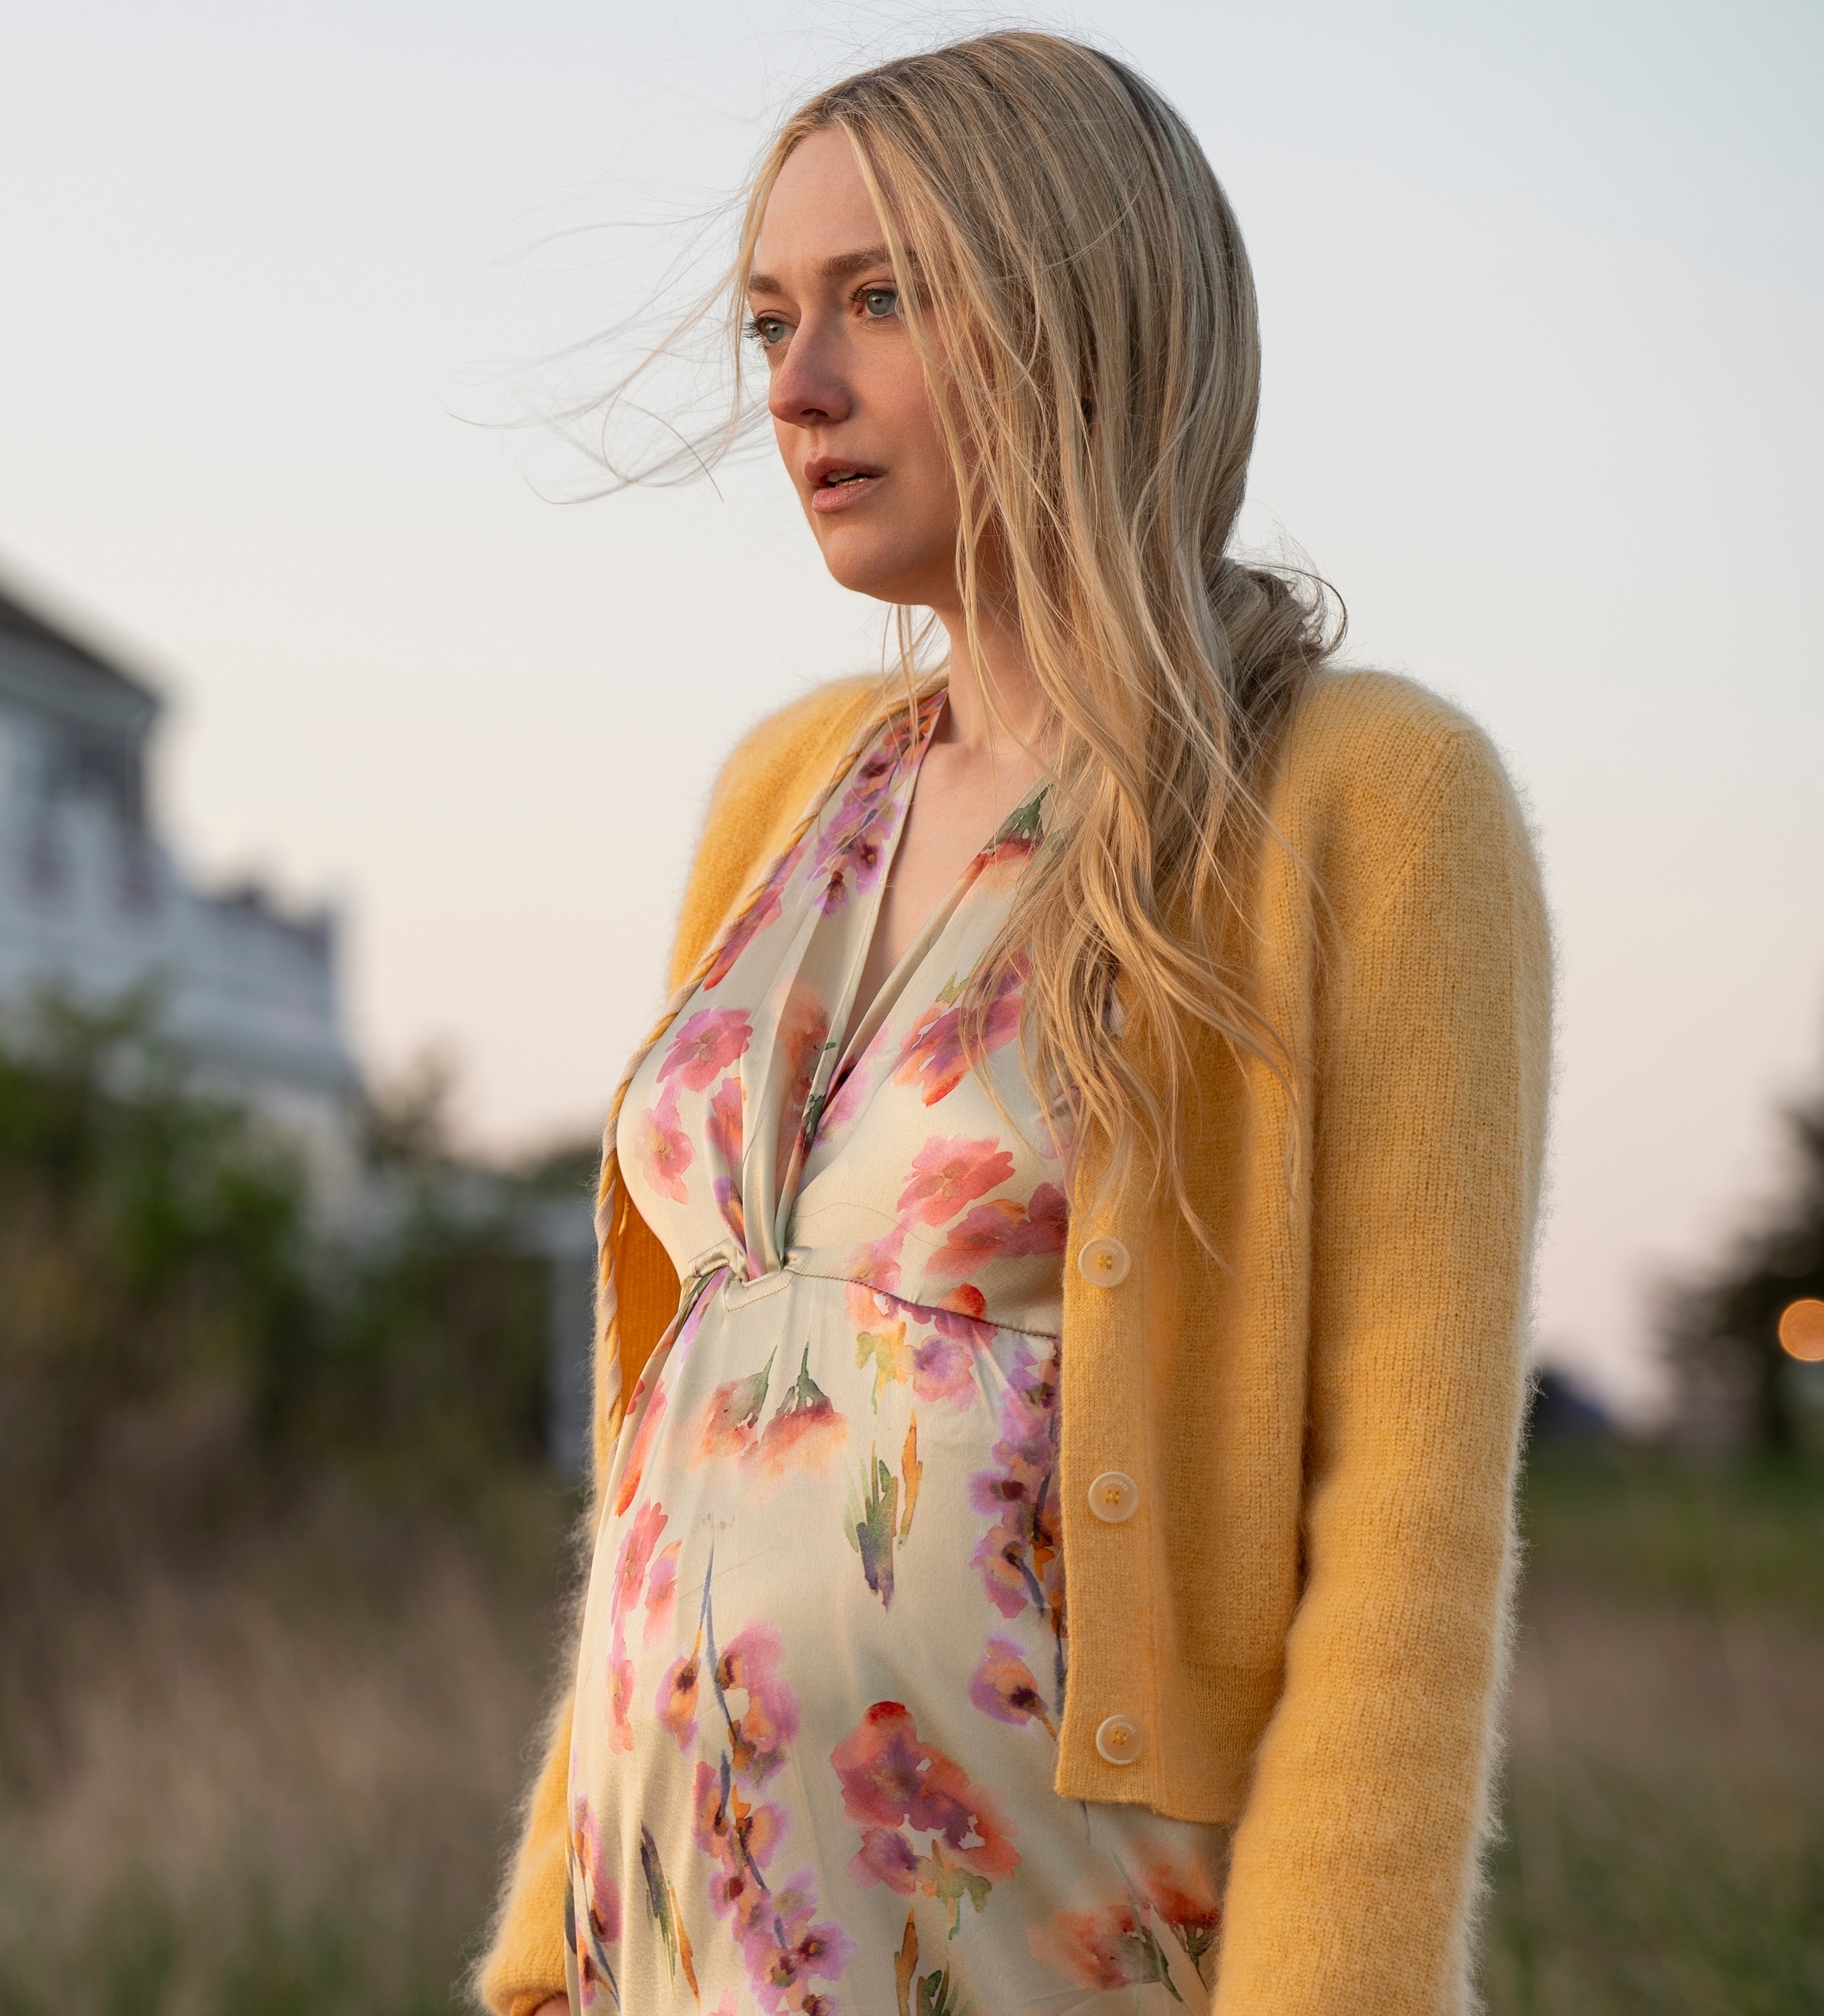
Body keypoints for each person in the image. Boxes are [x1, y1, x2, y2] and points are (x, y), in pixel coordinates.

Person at [475, 33, 1549, 2016]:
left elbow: (1403, 1531)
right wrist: (550, 1941)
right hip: (675, 1951)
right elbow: (684, 1430)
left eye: (882, 299)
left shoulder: (1364, 801)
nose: (797, 386)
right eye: (772, 321)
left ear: (1087, 315)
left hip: (1066, 1948)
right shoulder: (789, 788)